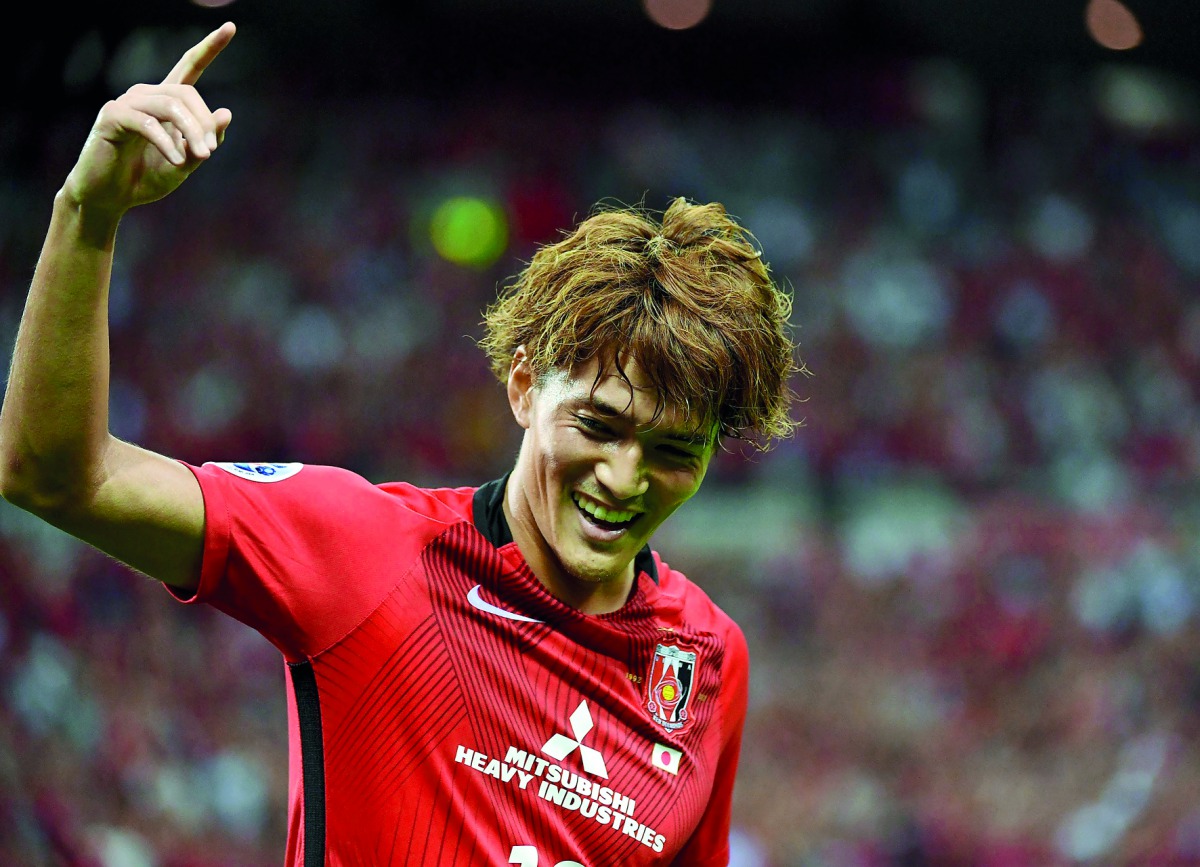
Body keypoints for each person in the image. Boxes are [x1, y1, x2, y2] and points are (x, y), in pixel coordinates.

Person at [0, 21, 800, 867]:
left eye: (675, 450)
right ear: (524, 385)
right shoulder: (362, 549)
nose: (624, 475)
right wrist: (88, 214)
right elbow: (55, 475)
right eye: (597, 425)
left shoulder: (708, 658)